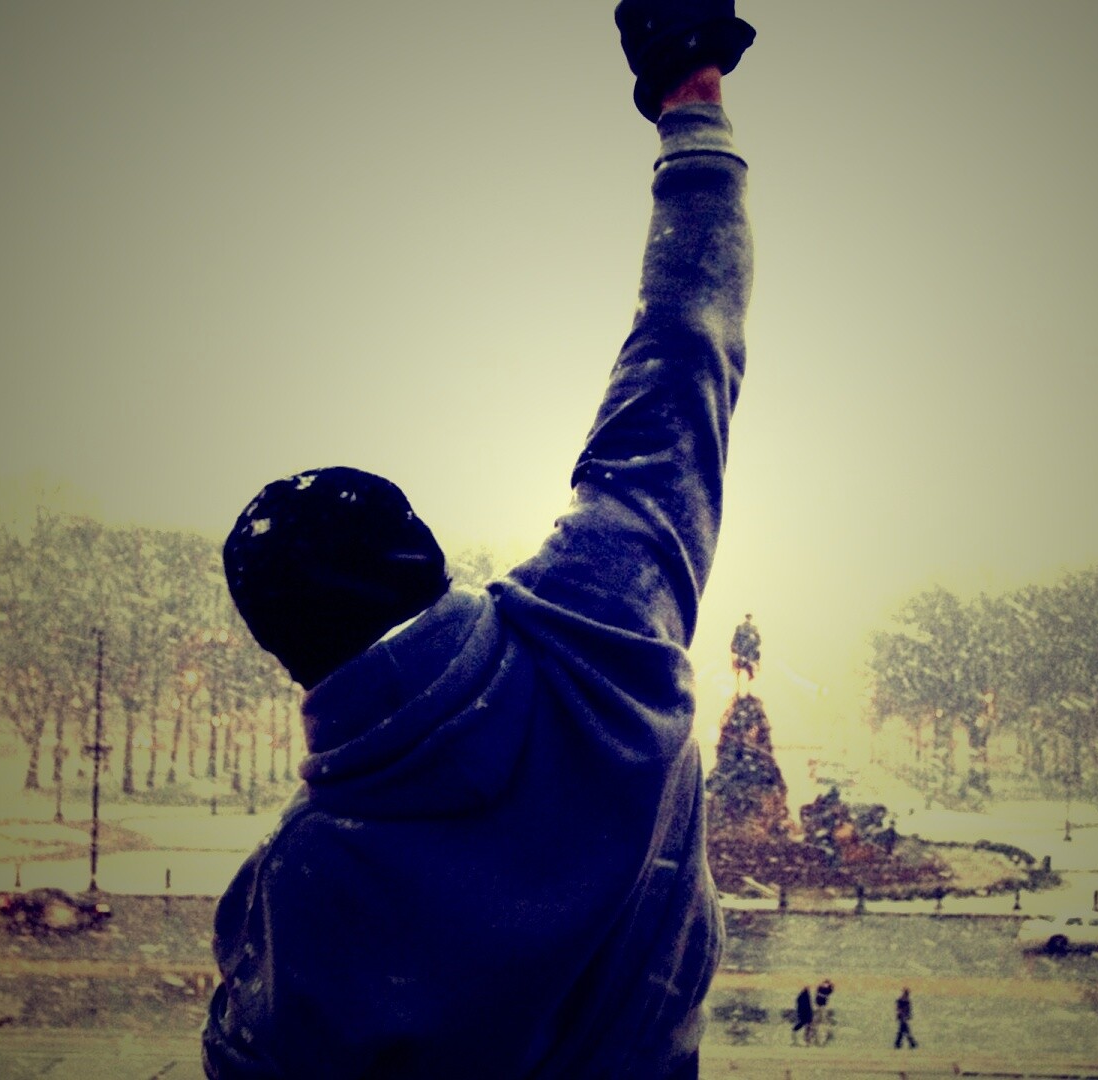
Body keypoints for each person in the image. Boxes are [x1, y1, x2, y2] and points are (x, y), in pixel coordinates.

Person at [200, 3, 756, 1077]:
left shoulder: (301, 892)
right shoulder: (600, 628)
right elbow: (687, 344)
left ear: (289, 654)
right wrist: (691, 101)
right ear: (425, 553)